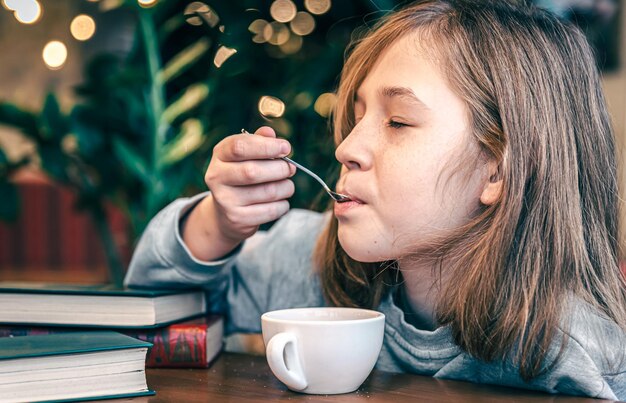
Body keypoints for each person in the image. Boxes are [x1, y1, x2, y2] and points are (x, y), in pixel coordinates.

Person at [124, 0, 626, 399]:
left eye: (398, 122)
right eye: (357, 115)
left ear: (497, 171)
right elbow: (150, 311)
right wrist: (220, 223)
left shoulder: (574, 352)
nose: (346, 147)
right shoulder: (304, 262)